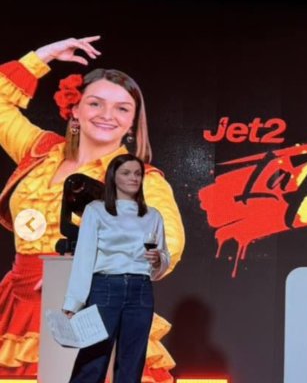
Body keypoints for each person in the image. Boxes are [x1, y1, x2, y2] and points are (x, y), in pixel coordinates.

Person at [0, 37, 184, 380]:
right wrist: (44, 56)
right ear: (75, 109)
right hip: (17, 307)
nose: (106, 115)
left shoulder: (142, 180)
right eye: (95, 103)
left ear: (132, 122)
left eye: (122, 108)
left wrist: (90, 270)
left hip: (93, 305)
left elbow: (166, 246)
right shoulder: (40, 150)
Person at [63, 154, 169, 382]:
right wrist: (73, 302)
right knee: (93, 358)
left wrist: (158, 260)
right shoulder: (96, 210)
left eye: (138, 173)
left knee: (132, 361)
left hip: (141, 289)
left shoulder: (153, 216)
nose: (134, 178)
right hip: (105, 288)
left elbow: (162, 258)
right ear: (113, 177)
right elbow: (84, 258)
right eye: (126, 173)